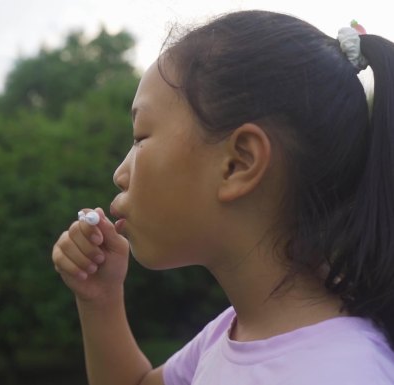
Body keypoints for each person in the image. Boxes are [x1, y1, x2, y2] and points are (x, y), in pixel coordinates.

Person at [51, 10, 394, 385]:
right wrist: (99, 298)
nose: (120, 173)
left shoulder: (343, 372)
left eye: (140, 137)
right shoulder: (230, 333)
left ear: (238, 163)